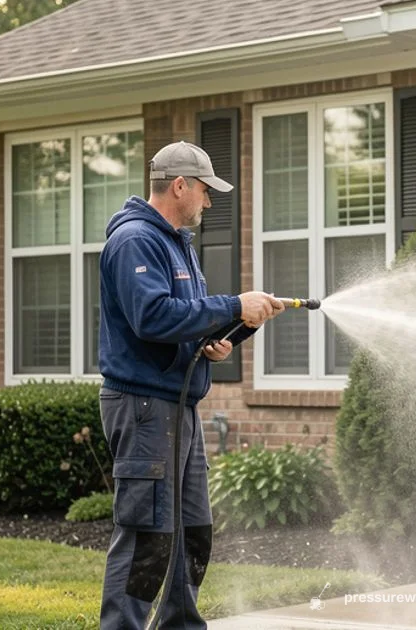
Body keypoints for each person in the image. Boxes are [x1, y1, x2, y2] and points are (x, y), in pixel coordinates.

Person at [97, 140, 284, 628]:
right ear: (179, 185)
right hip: (142, 408)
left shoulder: (174, 243)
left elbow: (181, 324)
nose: (208, 201)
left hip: (176, 408)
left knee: (191, 532)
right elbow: (152, 317)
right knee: (147, 539)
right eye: (204, 190)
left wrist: (231, 330)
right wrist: (230, 305)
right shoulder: (136, 240)